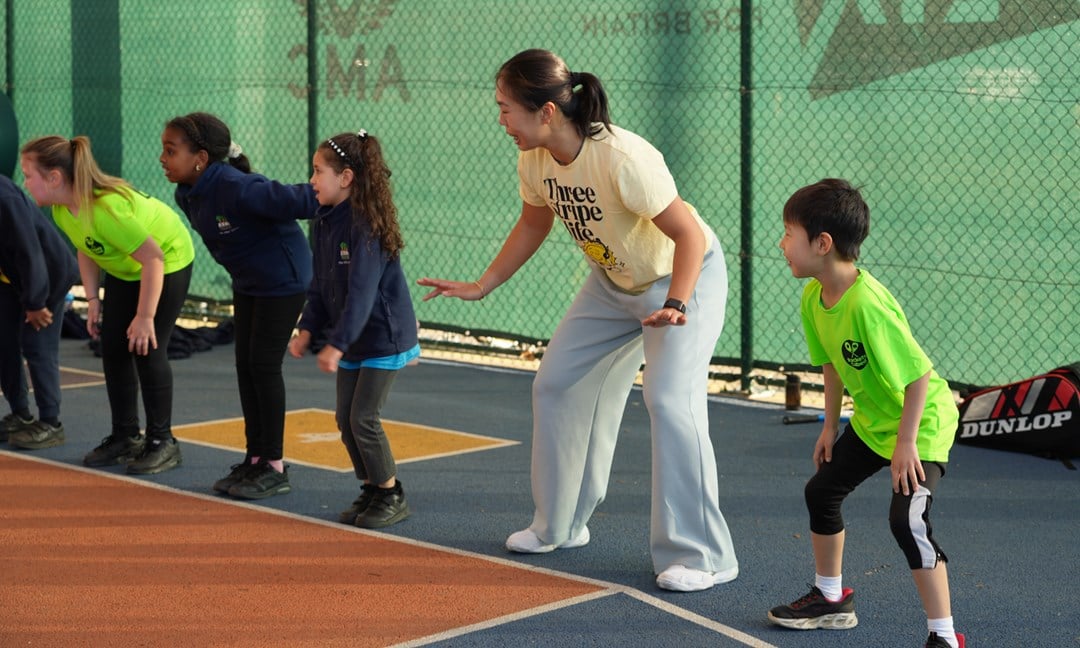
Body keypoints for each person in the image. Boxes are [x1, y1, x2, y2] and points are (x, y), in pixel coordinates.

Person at [417, 49, 738, 592]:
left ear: (545, 111)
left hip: (683, 279)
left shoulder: (623, 158)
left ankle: (705, 555)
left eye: (505, 109)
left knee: (669, 402)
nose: (500, 121)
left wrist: (677, 303)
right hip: (611, 284)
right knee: (557, 383)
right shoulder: (535, 159)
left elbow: (690, 235)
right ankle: (560, 527)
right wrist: (482, 284)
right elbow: (532, 224)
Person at [770, 179, 964, 648]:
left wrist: (906, 444)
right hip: (874, 422)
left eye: (789, 234)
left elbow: (919, 378)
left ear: (822, 244)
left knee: (907, 522)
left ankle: (944, 636)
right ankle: (831, 600)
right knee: (822, 490)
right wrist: (830, 424)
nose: (781, 244)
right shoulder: (814, 296)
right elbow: (832, 364)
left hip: (923, 425)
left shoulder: (869, 305)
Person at [161, 112, 317, 499]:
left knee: (263, 367)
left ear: (200, 157)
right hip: (249, 281)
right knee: (245, 366)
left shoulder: (237, 187)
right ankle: (255, 459)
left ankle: (275, 467)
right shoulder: (187, 193)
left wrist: (350, 187)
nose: (163, 158)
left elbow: (300, 200)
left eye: (171, 150)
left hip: (283, 280)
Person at [20, 135, 195, 475]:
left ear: (54, 177)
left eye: (29, 175)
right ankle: (125, 435)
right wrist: (93, 301)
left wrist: (145, 316)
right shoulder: (62, 210)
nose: (25, 183)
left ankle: (162, 442)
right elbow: (87, 248)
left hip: (166, 260)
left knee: (146, 348)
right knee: (113, 347)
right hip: (125, 267)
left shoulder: (106, 209)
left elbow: (153, 259)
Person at [289, 129, 419, 529]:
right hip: (352, 342)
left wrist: (337, 345)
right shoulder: (325, 221)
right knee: (345, 420)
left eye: (317, 171)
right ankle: (371, 487)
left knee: (364, 418)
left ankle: (390, 492)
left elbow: (362, 294)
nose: (311, 180)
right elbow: (321, 285)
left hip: (382, 338)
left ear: (345, 178)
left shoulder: (365, 228)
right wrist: (309, 329)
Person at [0, 173, 79, 449]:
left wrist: (36, 303)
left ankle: (51, 423)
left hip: (47, 275)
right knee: (4, 342)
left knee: (37, 346)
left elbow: (29, 251)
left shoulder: (4, 197)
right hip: (11, 278)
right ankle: (20, 414)